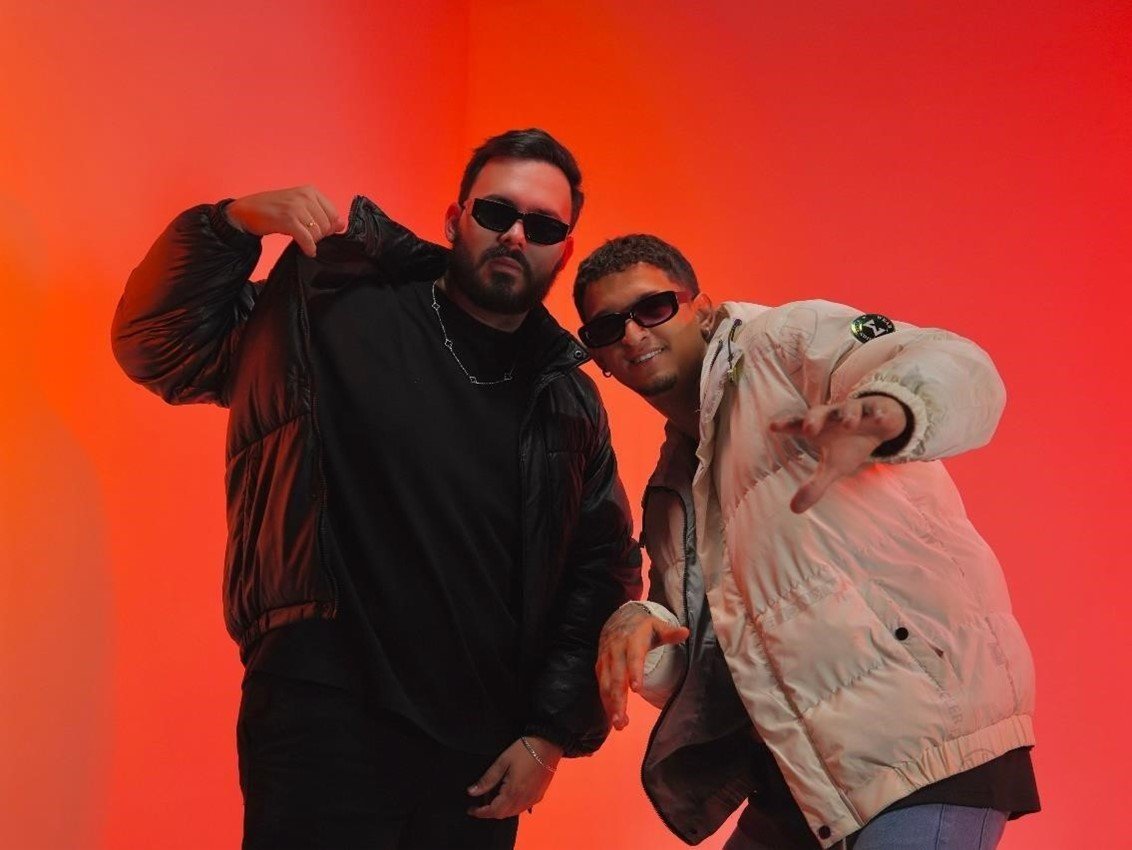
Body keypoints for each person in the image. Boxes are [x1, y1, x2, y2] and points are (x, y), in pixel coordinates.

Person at [111, 128, 641, 850]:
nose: (515, 236)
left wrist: (549, 735)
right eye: (496, 212)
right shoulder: (334, 298)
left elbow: (599, 572)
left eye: (542, 227)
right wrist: (231, 224)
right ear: (455, 218)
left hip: (478, 753)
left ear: (564, 251)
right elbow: (159, 344)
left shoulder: (567, 400)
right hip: (319, 712)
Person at [573, 235, 1038, 849]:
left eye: (653, 307)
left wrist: (888, 410)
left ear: (702, 310)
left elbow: (952, 363)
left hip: (924, 746)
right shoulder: (670, 492)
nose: (633, 334)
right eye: (608, 327)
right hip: (805, 779)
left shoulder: (784, 344)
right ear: (600, 358)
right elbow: (706, 664)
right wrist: (642, 629)